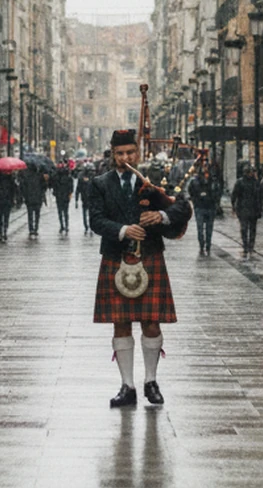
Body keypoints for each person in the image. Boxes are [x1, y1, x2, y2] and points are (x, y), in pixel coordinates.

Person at [88, 129, 192, 408]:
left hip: (149, 254)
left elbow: (183, 207)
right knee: (120, 323)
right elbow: (95, 220)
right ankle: (127, 386)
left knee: (151, 322)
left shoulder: (153, 181)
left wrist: (161, 215)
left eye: (130, 152)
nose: (125, 158)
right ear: (113, 154)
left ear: (138, 152)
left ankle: (151, 381)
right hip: (116, 255)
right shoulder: (100, 183)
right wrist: (123, 230)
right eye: (120, 153)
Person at [230, 166, 261, 256]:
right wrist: (234, 205)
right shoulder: (242, 182)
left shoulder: (254, 182)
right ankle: (247, 246)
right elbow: (234, 195)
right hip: (245, 208)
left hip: (251, 208)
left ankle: (249, 246)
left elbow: (259, 196)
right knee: (246, 228)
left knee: (250, 228)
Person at [187, 162, 215, 256]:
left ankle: (208, 245)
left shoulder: (212, 180)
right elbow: (190, 191)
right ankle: (202, 245)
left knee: (209, 228)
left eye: (206, 167)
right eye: (204, 167)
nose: (205, 169)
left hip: (210, 207)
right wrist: (195, 200)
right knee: (200, 228)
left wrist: (214, 200)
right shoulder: (195, 181)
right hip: (200, 207)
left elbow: (217, 191)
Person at [20, 163, 48, 237]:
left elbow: (23, 188)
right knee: (37, 215)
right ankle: (36, 228)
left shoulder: (27, 177)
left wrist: (25, 196)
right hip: (38, 199)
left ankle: (31, 229)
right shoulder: (40, 176)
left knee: (30, 215)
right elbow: (44, 187)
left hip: (29, 199)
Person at [52, 164, 74, 234]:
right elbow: (71, 188)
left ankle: (62, 225)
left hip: (59, 197)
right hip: (66, 197)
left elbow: (54, 188)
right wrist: (69, 193)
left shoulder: (56, 178)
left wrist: (55, 193)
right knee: (66, 212)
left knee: (60, 212)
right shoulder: (69, 178)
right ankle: (67, 225)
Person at [75, 165, 95, 234]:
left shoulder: (89, 177)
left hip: (88, 198)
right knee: (88, 214)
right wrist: (76, 199)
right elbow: (78, 189)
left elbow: (78, 189)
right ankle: (87, 227)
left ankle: (88, 227)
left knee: (88, 214)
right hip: (87, 198)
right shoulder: (90, 177)